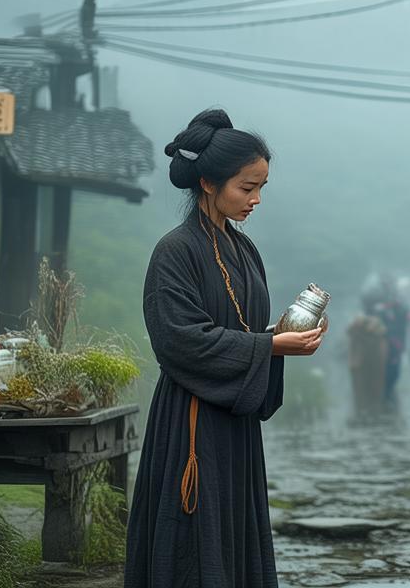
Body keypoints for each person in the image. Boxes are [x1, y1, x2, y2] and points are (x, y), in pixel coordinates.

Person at [125, 108, 323, 588]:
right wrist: (269, 347)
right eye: (246, 187)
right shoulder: (175, 251)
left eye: (261, 188)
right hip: (190, 420)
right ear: (209, 184)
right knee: (193, 543)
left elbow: (244, 328)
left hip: (234, 424)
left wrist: (278, 335)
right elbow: (179, 340)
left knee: (232, 538)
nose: (256, 200)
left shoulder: (244, 248)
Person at [364, 274, 410, 409]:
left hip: (396, 340)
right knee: (385, 368)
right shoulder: (376, 296)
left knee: (394, 370)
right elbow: (370, 312)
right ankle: (384, 394)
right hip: (382, 339)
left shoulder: (398, 300)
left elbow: (404, 315)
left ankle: (387, 393)